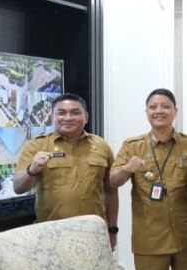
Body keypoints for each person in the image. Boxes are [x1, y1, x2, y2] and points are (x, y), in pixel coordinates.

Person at [110, 89, 187, 270]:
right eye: (153, 107)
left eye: (165, 106)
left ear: (175, 111)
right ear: (147, 112)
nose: (159, 111)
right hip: (149, 239)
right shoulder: (132, 146)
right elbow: (113, 181)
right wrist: (126, 168)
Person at [13, 93, 118, 244]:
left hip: (93, 234)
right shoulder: (37, 145)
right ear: (52, 117)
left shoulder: (101, 145)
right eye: (61, 113)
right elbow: (18, 187)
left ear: (86, 117)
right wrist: (32, 170)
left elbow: (111, 191)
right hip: (52, 235)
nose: (68, 118)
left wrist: (112, 229)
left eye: (75, 112)